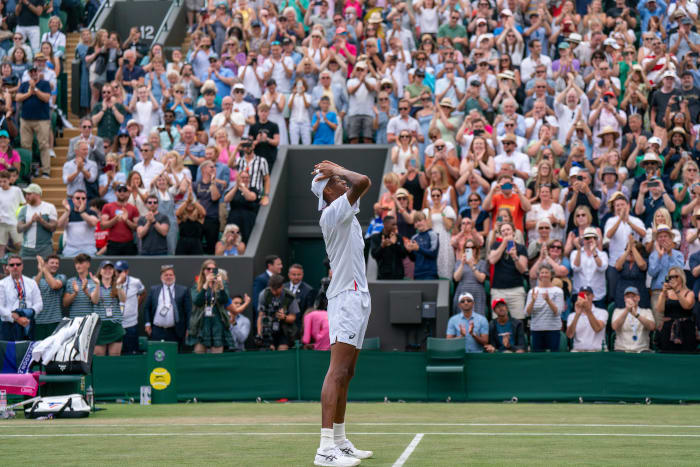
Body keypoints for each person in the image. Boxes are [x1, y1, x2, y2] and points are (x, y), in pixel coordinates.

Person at [310, 160, 373, 465]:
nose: (342, 182)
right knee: (336, 372)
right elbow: (362, 180)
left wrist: (335, 173)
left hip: (358, 297)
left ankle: (340, 440)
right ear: (327, 193)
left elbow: (357, 187)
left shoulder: (345, 211)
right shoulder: (333, 212)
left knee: (348, 373)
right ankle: (324, 449)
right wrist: (338, 168)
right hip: (345, 298)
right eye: (336, 181)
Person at [187, 259, 232, 354]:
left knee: (217, 355)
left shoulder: (222, 284)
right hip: (202, 323)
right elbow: (197, 301)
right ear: (203, 271)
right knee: (199, 353)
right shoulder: (197, 285)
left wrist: (221, 287)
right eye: (208, 269)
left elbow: (225, 300)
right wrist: (206, 284)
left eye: (214, 269)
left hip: (217, 322)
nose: (211, 271)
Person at [144, 264, 192, 348]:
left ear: (174, 276)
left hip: (175, 331)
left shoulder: (183, 290)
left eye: (171, 275)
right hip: (157, 330)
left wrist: (189, 328)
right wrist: (147, 324)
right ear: (161, 277)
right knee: (157, 354)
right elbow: (147, 308)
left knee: (173, 356)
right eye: (166, 275)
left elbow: (188, 311)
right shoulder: (154, 289)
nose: (168, 277)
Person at [488, 222, 528, 319]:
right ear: (501, 234)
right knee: (498, 320)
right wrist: (504, 244)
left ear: (513, 232)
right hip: (498, 290)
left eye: (508, 229)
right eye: (503, 231)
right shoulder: (496, 245)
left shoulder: (521, 248)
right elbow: (492, 260)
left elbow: (522, 269)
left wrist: (515, 257)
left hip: (516, 290)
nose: (506, 232)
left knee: (518, 321)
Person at [0, 254, 42, 341]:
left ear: (22, 266)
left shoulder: (31, 283)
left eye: (18, 264)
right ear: (8, 267)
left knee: (28, 352)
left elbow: (39, 303)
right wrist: (17, 318)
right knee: (10, 353)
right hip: (9, 324)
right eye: (12, 265)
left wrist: (29, 314)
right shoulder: (2, 284)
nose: (15, 267)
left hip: (28, 322)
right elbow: (0, 307)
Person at [656, 266, 697, 353]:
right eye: (670, 277)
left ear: (682, 277)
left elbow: (687, 306)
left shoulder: (689, 293)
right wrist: (663, 293)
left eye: (676, 276)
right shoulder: (665, 293)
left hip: (686, 329)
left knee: (686, 355)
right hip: (668, 329)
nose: (673, 279)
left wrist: (677, 291)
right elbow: (659, 309)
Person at [525, 263, 565, 352]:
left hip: (553, 329)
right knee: (538, 359)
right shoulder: (532, 291)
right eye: (542, 272)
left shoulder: (558, 291)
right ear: (539, 275)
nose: (544, 275)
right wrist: (533, 301)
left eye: (546, 272)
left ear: (551, 275)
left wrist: (548, 300)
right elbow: (527, 313)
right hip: (537, 329)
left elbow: (557, 312)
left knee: (553, 358)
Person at [91, 260, 127, 356]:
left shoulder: (117, 285)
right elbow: (94, 300)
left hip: (115, 325)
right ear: (100, 271)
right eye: (105, 268)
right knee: (99, 357)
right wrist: (98, 285)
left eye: (110, 268)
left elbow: (123, 299)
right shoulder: (94, 284)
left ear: (113, 271)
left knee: (115, 357)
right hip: (100, 326)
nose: (107, 271)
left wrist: (119, 284)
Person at [256, 273, 300, 351]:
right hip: (268, 328)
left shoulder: (289, 296)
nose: (274, 292)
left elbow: (293, 317)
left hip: (284, 329)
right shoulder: (264, 294)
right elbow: (260, 316)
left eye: (276, 290)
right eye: (272, 289)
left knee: (283, 350)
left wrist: (284, 317)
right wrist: (259, 333)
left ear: (282, 286)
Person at [570, 226, 608, 309]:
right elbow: (576, 268)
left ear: (597, 240)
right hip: (580, 294)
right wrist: (579, 250)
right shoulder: (574, 253)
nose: (590, 240)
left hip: (597, 296)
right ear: (583, 240)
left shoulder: (603, 254)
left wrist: (594, 251)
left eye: (593, 238)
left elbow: (602, 267)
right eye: (587, 238)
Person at [114, 260, 146, 355]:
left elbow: (143, 293)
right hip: (116, 323)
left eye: (120, 271)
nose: (117, 273)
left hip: (131, 323)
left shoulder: (135, 282)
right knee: (116, 352)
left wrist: (136, 305)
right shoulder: (111, 282)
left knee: (131, 352)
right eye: (116, 271)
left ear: (126, 272)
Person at [16, 184, 57, 258]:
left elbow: (53, 228)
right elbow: (19, 229)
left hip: (45, 248)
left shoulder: (50, 207)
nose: (26, 197)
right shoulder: (23, 209)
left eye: (29, 194)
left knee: (45, 269)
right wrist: (31, 222)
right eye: (26, 194)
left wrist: (41, 221)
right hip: (26, 248)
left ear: (37, 195)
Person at [611, 286, 656, 353]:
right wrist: (627, 311)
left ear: (638, 298)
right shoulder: (617, 311)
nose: (631, 299)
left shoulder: (647, 311)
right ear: (624, 299)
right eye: (628, 297)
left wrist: (636, 315)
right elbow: (614, 327)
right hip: (621, 349)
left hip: (641, 350)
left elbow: (652, 327)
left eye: (633, 296)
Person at [32, 254, 65, 340]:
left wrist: (44, 269)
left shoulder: (61, 277)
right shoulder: (36, 278)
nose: (55, 265)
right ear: (46, 264)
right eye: (52, 262)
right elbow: (32, 288)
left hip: (55, 321)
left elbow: (54, 285)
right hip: (38, 321)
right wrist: (41, 271)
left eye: (57, 263)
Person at [58, 190, 100, 257]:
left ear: (86, 200)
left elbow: (93, 223)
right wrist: (67, 211)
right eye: (77, 198)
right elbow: (59, 225)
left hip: (88, 250)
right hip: (71, 251)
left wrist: (82, 212)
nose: (80, 200)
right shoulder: (69, 213)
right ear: (73, 200)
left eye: (83, 198)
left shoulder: (91, 212)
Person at [100, 183, 139, 255]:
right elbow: (102, 225)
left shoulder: (133, 208)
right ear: (115, 193)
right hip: (113, 244)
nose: (122, 193)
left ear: (128, 193)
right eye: (119, 190)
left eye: (124, 191)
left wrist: (126, 220)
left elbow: (137, 228)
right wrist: (115, 219)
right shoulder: (107, 206)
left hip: (128, 244)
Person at [566, 287, 608, 352]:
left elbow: (597, 328)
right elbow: (570, 335)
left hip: (597, 351)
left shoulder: (602, 312)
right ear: (578, 297)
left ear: (593, 296)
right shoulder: (572, 316)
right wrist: (577, 314)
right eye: (582, 295)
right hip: (578, 351)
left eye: (588, 294)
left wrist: (587, 310)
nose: (585, 297)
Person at [370, 215, 407, 280]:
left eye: (396, 224)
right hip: (383, 276)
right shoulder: (375, 238)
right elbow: (374, 255)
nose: (395, 227)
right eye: (393, 224)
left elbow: (403, 255)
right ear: (385, 224)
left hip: (398, 276)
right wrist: (382, 246)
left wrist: (395, 244)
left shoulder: (399, 237)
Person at [406, 211, 439, 280]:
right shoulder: (414, 238)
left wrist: (418, 249)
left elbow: (433, 253)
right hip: (417, 274)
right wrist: (409, 252)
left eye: (420, 220)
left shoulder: (433, 234)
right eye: (416, 222)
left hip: (430, 273)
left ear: (425, 221)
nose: (418, 223)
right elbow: (413, 258)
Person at [0, 171, 25, 256]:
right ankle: (1, 267)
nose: (2, 184)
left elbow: (24, 204)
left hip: (14, 222)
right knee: (1, 247)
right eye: (0, 181)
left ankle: (20, 263)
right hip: (1, 223)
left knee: (19, 245)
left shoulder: (16, 190)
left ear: (9, 180)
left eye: (4, 181)